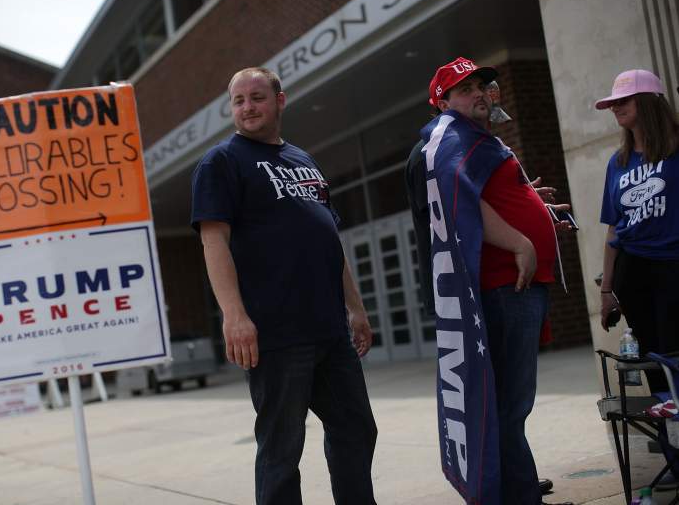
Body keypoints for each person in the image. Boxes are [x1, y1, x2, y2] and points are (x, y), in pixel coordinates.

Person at [190, 67, 378, 505]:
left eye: (257, 97)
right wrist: (234, 316)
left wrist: (355, 307)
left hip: (329, 330)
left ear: (280, 99)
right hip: (275, 335)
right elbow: (213, 240)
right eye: (238, 101)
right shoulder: (222, 163)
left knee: (356, 428)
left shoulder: (302, 160)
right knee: (281, 450)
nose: (247, 107)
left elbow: (328, 238)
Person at [407, 56, 572, 505]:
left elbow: (482, 195)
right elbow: (456, 198)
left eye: (482, 84)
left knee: (512, 407)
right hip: (504, 286)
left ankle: (517, 489)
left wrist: (534, 209)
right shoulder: (448, 138)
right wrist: (520, 240)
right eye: (465, 88)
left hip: (516, 287)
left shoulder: (474, 138)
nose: (479, 93)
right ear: (442, 102)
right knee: (509, 407)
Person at [597, 69, 679, 393]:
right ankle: (670, 434)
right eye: (612, 103)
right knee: (651, 355)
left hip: (673, 263)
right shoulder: (618, 162)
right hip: (633, 269)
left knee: (674, 348)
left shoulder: (675, 149)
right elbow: (613, 229)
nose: (616, 107)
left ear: (647, 101)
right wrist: (606, 290)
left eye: (623, 100)